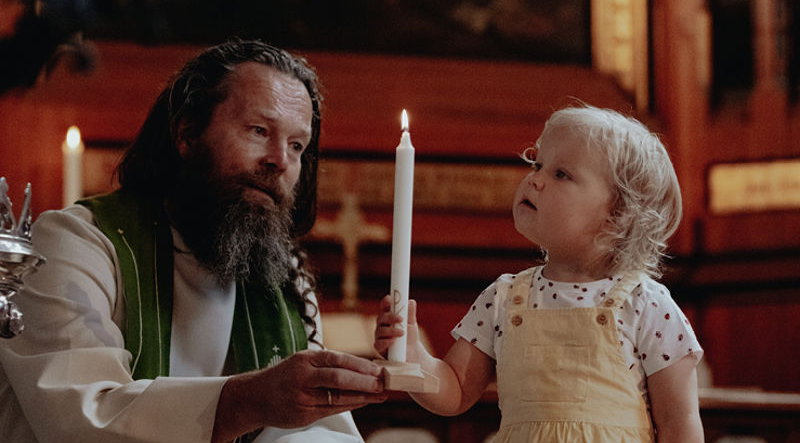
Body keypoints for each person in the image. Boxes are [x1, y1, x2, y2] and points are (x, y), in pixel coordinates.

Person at [0, 39, 389, 443]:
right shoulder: (78, 241)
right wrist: (247, 400)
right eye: (259, 131)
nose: (281, 161)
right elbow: (78, 419)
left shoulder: (284, 278)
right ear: (187, 134)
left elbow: (314, 430)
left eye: (296, 145)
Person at [375, 104, 705, 442]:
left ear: (619, 215)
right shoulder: (504, 298)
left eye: (560, 174)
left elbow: (678, 421)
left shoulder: (646, 304)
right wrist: (412, 353)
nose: (534, 178)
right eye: (537, 164)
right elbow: (455, 390)